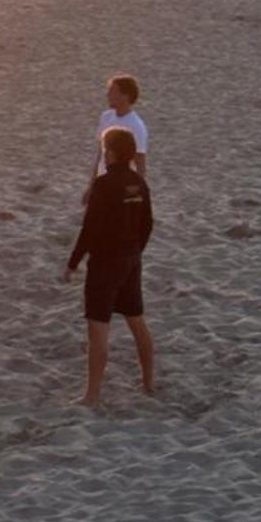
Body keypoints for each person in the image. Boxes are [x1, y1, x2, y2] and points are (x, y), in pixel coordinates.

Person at [65, 126, 154, 408]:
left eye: (105, 148)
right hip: (131, 260)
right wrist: (135, 251)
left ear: (111, 153)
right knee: (136, 320)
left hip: (105, 263)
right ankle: (149, 382)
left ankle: (91, 396)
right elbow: (148, 224)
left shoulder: (104, 185)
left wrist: (73, 263)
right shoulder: (139, 183)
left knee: (98, 328)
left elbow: (89, 229)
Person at [84, 73, 147, 203]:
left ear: (126, 96)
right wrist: (91, 186)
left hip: (122, 187)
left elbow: (140, 162)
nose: (108, 95)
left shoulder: (136, 125)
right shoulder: (106, 117)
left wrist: (138, 193)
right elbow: (100, 154)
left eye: (112, 91)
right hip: (102, 182)